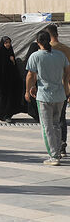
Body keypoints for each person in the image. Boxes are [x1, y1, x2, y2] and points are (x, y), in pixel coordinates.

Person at [25, 31, 70, 166]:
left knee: (46, 127)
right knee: (56, 124)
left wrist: (28, 90)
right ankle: (58, 150)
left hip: (44, 95)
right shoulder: (60, 55)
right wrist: (65, 82)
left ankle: (53, 156)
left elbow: (30, 75)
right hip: (59, 95)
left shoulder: (35, 56)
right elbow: (67, 70)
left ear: (38, 42)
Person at [43, 24, 70, 157]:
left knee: (49, 122)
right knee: (61, 119)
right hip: (64, 90)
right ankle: (62, 145)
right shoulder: (66, 49)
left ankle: (54, 149)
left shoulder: (44, 51)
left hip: (46, 92)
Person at [0, 36, 25, 122]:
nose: (8, 44)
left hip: (10, 80)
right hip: (1, 80)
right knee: (2, 97)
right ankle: (1, 114)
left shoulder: (10, 52)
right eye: (6, 43)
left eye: (9, 42)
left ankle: (7, 115)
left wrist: (13, 61)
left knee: (9, 97)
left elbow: (14, 67)